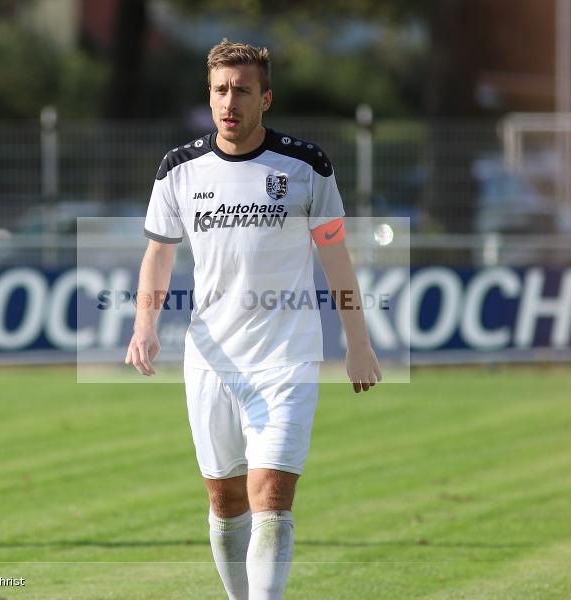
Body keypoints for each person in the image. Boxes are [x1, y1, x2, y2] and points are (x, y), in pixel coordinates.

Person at [126, 39, 382, 600]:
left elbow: (336, 256)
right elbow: (158, 256)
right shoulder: (179, 169)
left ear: (265, 98)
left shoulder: (307, 165)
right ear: (209, 96)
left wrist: (357, 342)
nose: (229, 101)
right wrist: (144, 326)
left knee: (270, 495)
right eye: (220, 90)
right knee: (225, 501)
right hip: (212, 360)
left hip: (285, 356)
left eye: (242, 90)